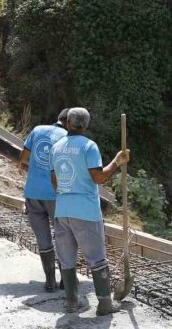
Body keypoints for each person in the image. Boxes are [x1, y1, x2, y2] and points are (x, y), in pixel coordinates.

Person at [50, 107, 129, 315]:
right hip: (85, 211)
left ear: (68, 123)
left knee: (66, 259)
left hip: (62, 210)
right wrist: (117, 162)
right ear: (85, 125)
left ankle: (71, 303)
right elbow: (99, 178)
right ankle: (104, 304)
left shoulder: (56, 147)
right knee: (96, 257)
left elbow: (55, 183)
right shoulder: (89, 147)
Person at [19, 108, 70, 291]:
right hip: (55, 195)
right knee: (64, 236)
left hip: (32, 193)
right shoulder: (67, 138)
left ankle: (49, 282)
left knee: (43, 239)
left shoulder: (38, 130)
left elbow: (23, 158)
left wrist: (35, 172)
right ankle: (66, 281)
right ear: (70, 123)